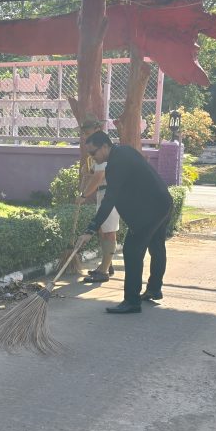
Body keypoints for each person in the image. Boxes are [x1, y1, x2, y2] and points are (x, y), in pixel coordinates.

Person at [76, 131, 173, 314]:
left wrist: (90, 229)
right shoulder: (126, 151)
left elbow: (109, 199)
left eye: (93, 152)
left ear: (105, 146)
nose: (92, 157)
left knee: (132, 251)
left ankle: (132, 301)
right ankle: (154, 289)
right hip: (163, 203)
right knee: (157, 247)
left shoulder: (115, 165)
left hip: (149, 210)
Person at [79, 160, 118, 282]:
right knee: (102, 230)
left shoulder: (104, 157)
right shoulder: (97, 159)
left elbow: (98, 177)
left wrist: (84, 195)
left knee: (109, 232)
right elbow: (96, 174)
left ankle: (103, 272)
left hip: (109, 194)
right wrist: (87, 172)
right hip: (102, 193)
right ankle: (106, 265)